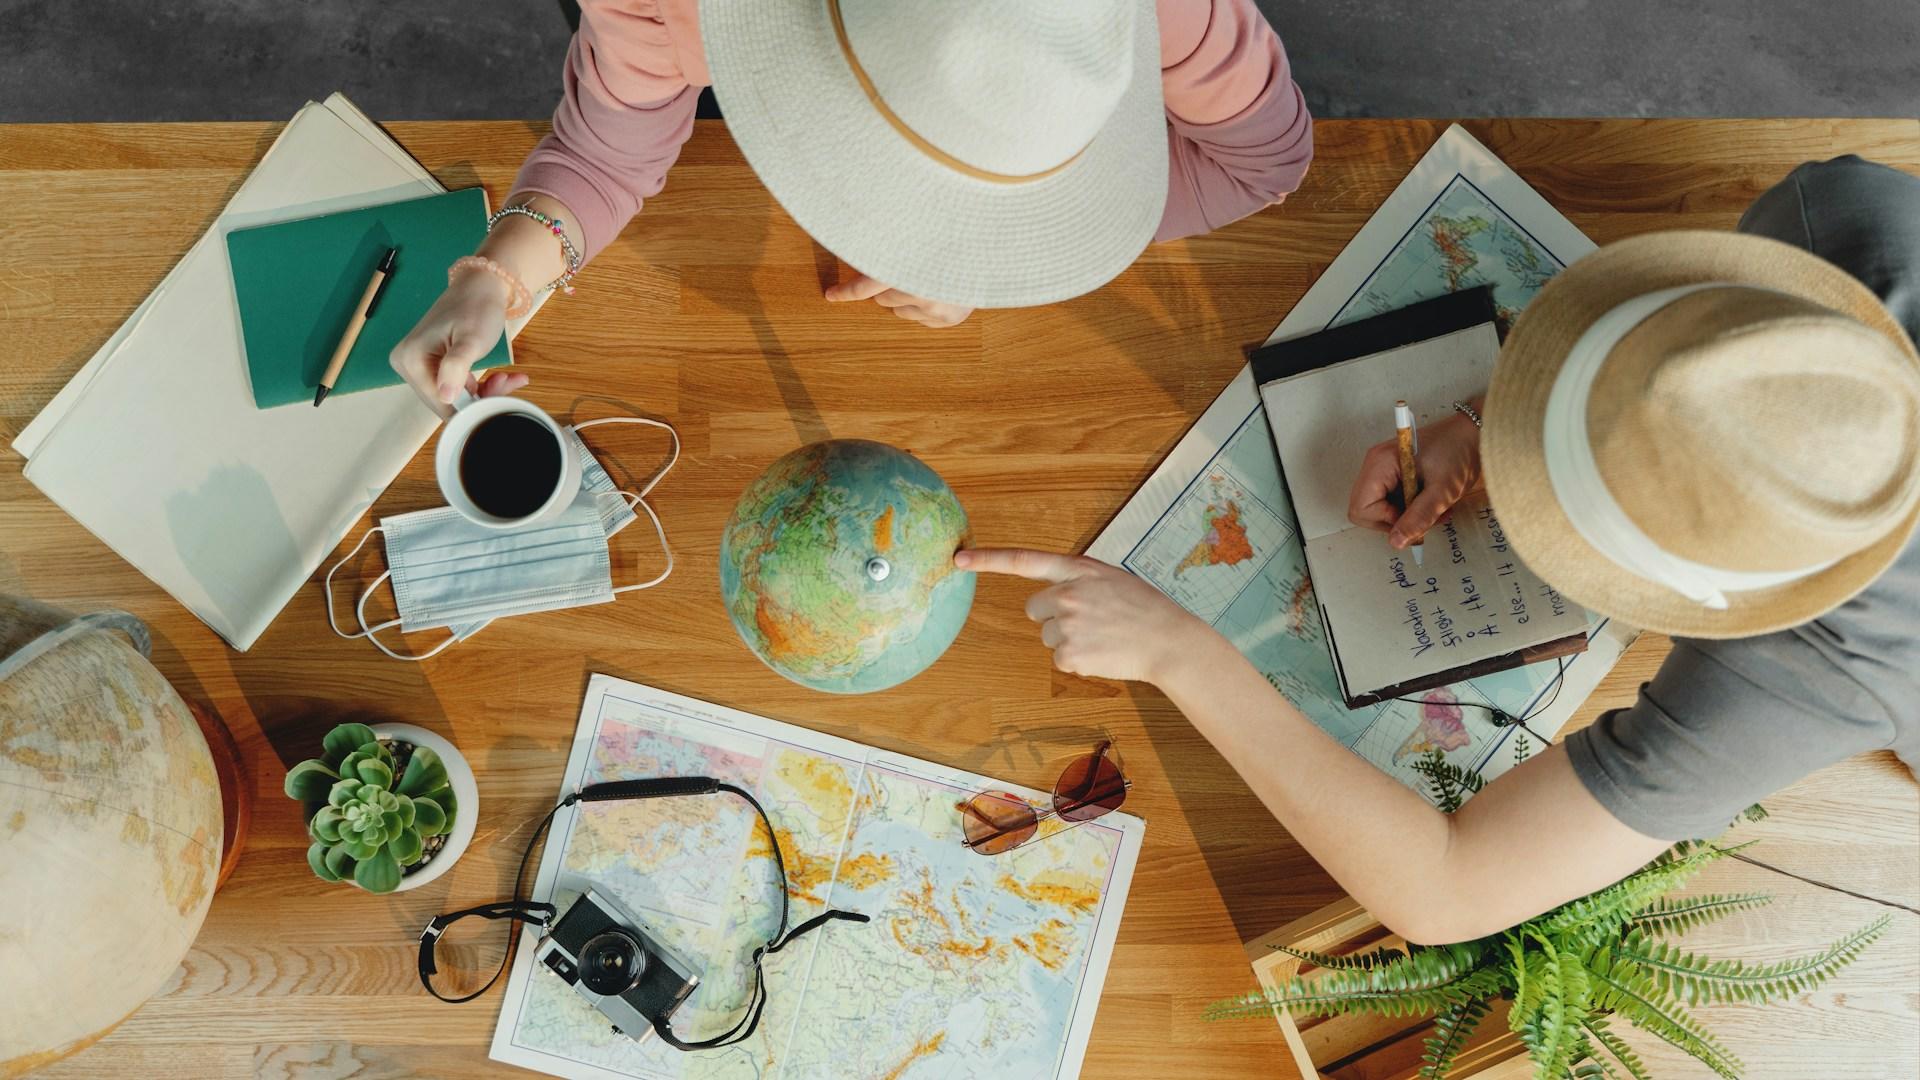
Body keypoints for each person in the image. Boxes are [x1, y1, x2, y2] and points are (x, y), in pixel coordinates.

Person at [962, 155, 1920, 944]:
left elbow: (1449, 891)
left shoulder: (1816, 669)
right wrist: (1488, 421)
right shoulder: (1841, 219)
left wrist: (1178, 650)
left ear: (1712, 599)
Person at [391, 0, 1314, 415]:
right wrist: (495, 281)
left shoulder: (1158, 12)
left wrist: (994, 251)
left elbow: (1266, 163)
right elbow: (607, 143)